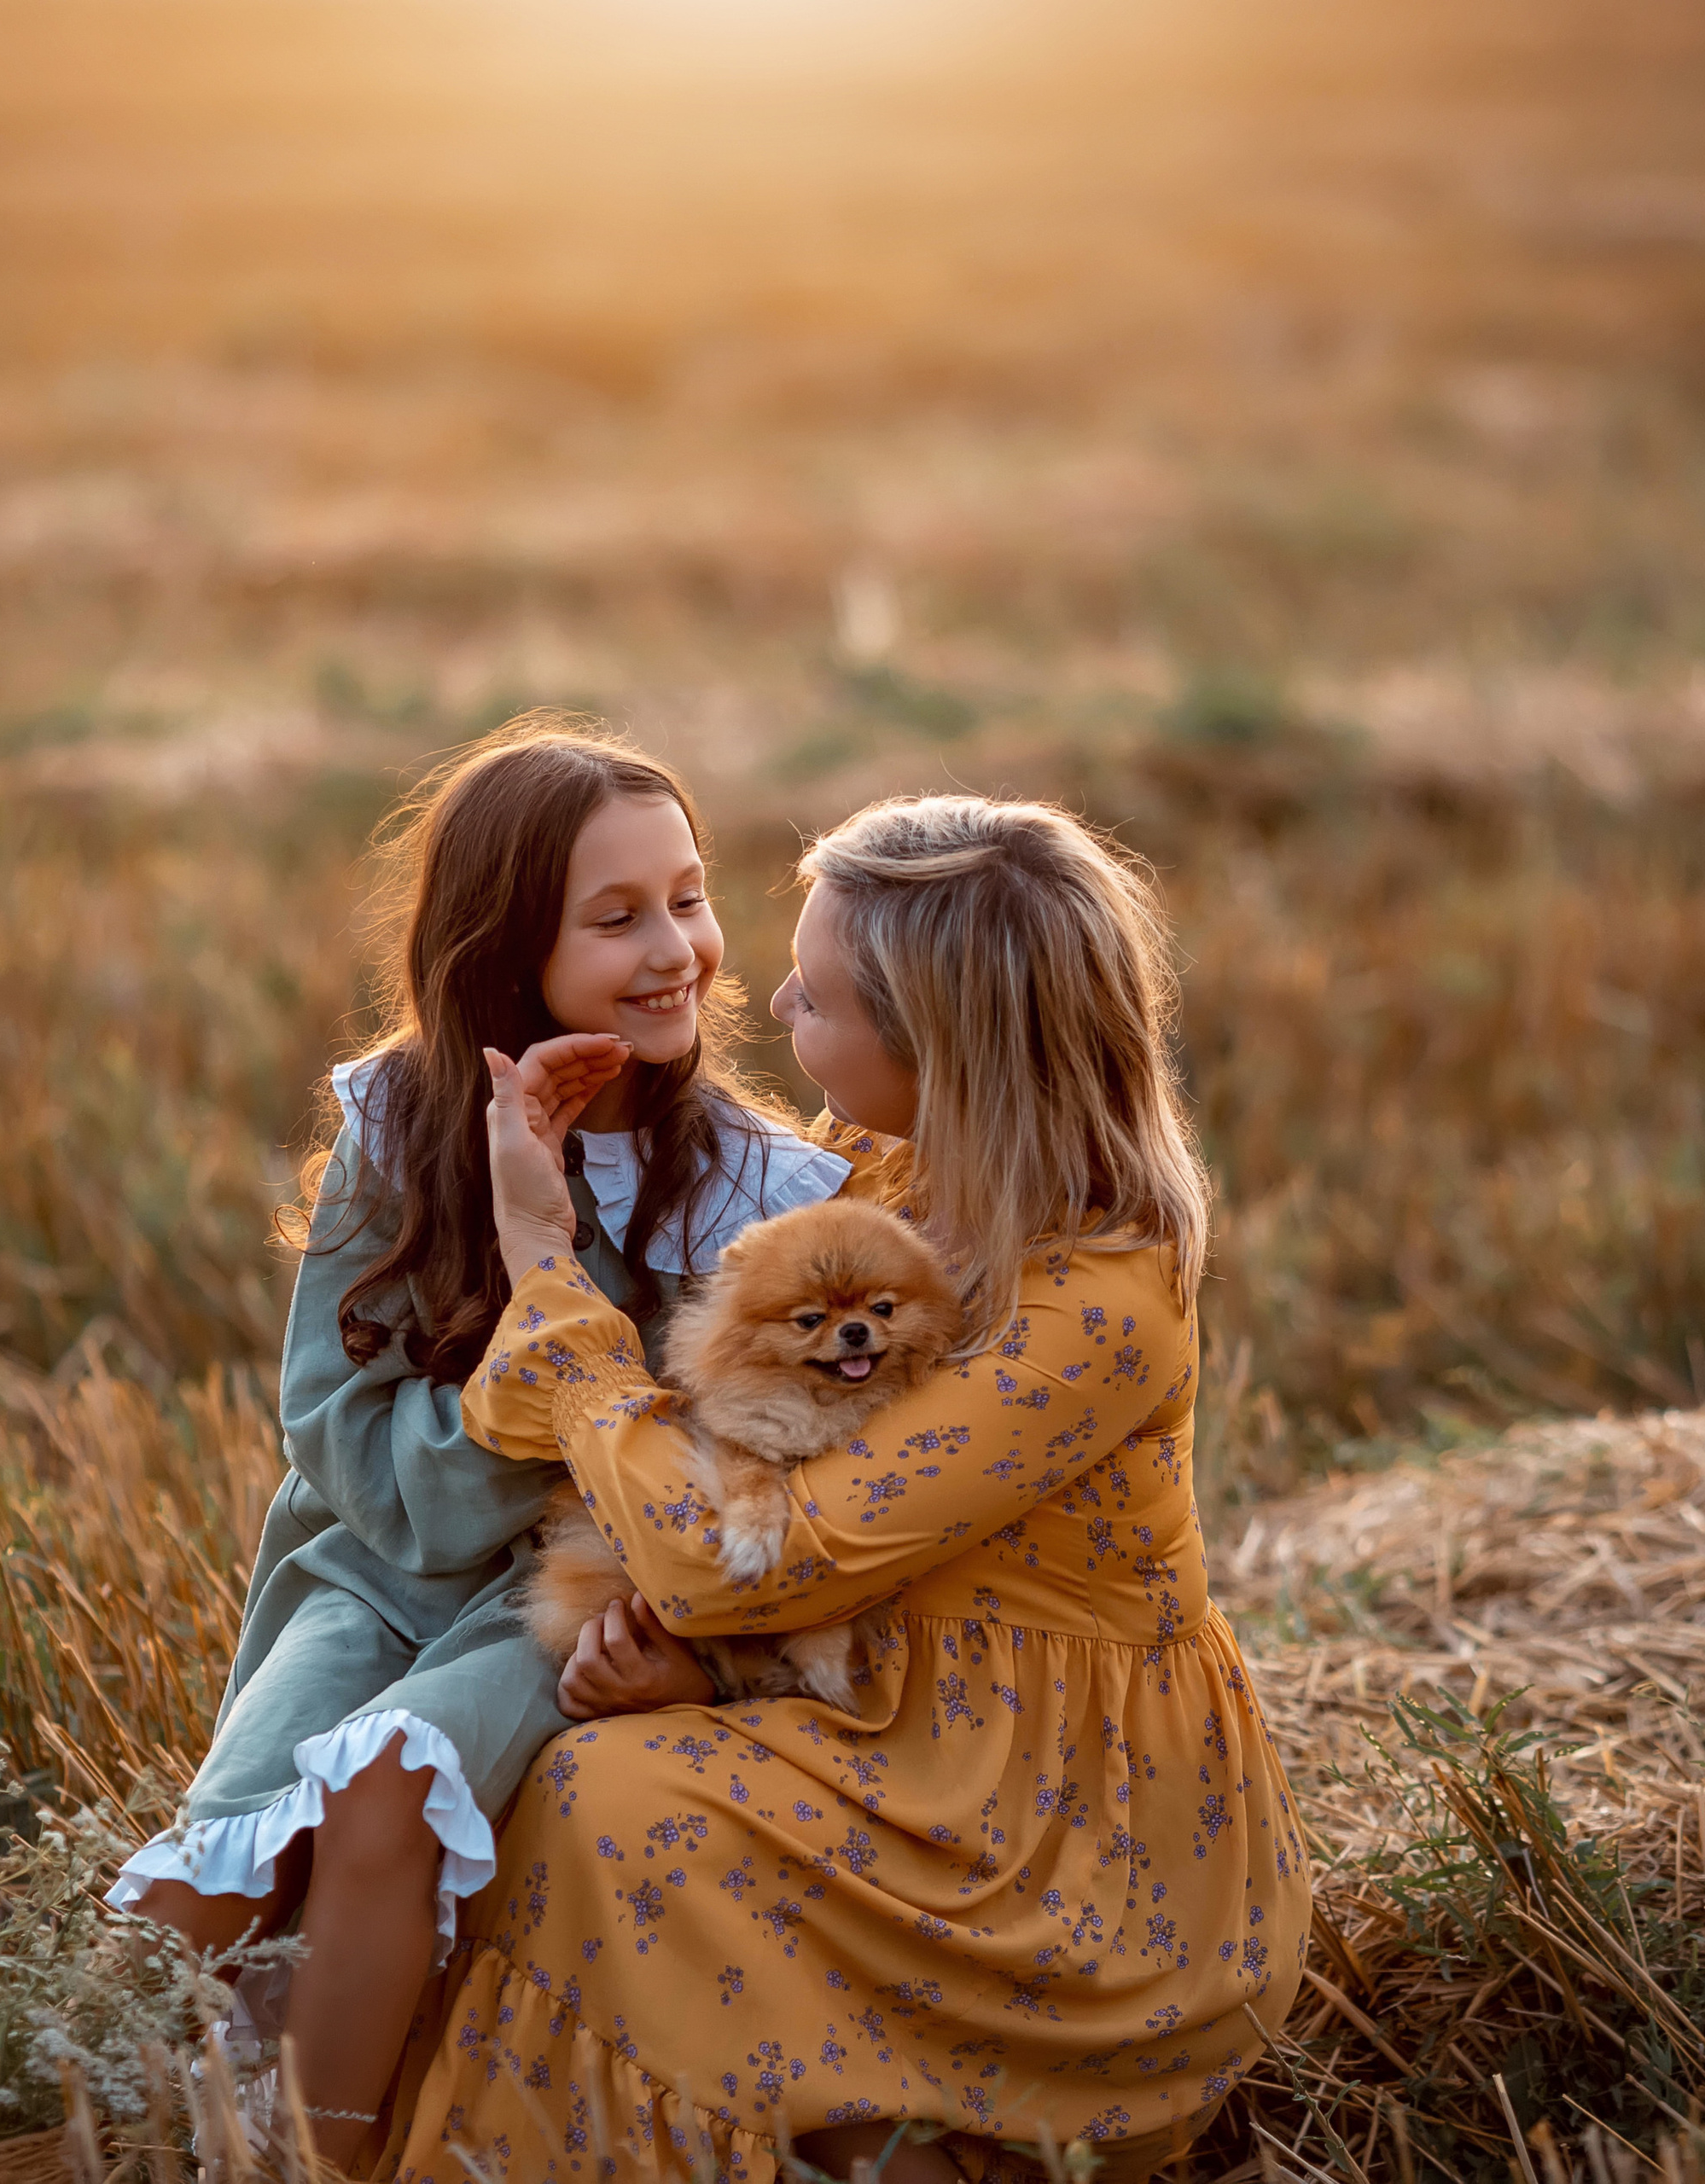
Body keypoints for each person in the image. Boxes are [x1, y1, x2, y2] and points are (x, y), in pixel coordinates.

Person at [372, 794, 1312, 2183]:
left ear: (944, 1046)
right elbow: (715, 1434)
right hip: (872, 1719)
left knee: (616, 1809)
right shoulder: (877, 1178)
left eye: (817, 996)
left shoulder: (1098, 1303)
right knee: (576, 1787)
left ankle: (885, 2136)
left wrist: (542, 1257)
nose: (776, 999)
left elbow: (747, 1556)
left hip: (1046, 1835)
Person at [106, 719, 850, 2168]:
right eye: (616, 918)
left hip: (567, 1591)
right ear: (505, 950)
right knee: (202, 1883)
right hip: (379, 1570)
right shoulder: (396, 1126)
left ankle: (322, 2158)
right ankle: (86, 2123)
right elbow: (344, 1437)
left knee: (389, 1789)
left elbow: (764, 1467)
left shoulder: (763, 1187)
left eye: (689, 898)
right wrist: (517, 1340)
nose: (676, 951)